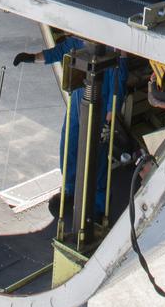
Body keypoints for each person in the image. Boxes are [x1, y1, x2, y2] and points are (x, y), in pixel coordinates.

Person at [14, 37, 127, 219]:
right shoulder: (80, 40)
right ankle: (69, 191)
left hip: (99, 107)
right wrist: (32, 58)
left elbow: (118, 82)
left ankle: (99, 206)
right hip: (77, 104)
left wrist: (109, 119)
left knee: (97, 157)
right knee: (69, 147)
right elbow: (59, 52)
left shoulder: (112, 48)